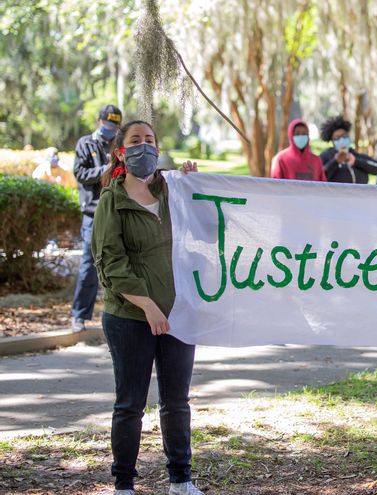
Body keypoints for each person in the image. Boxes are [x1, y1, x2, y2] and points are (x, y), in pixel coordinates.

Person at [92, 120, 205, 495]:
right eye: (135, 141)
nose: (145, 147)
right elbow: (111, 265)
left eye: (150, 140)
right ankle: (124, 483)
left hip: (178, 316)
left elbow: (205, 228)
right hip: (129, 319)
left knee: (177, 403)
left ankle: (181, 480)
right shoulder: (113, 200)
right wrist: (148, 307)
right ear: (121, 151)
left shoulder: (174, 191)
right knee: (130, 404)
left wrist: (195, 185)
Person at [71, 104, 123, 331]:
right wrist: (105, 169)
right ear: (98, 121)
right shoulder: (86, 143)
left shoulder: (119, 145)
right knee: (89, 265)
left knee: (120, 264)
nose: (110, 130)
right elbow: (80, 174)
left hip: (118, 210)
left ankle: (120, 316)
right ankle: (79, 316)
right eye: (107, 125)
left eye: (114, 127)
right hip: (93, 213)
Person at [318, 115, 377, 183]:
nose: (341, 139)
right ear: (332, 141)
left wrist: (356, 161)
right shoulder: (326, 156)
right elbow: (319, 176)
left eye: (344, 136)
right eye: (337, 138)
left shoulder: (356, 155)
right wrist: (335, 161)